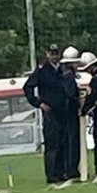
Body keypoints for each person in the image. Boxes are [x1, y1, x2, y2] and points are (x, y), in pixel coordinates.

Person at [24, 43, 68, 184]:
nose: (54, 56)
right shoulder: (42, 70)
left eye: (56, 53)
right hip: (50, 112)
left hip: (63, 111)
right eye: (52, 53)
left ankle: (62, 172)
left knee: (63, 142)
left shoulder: (63, 69)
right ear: (47, 54)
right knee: (52, 144)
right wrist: (39, 104)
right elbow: (27, 88)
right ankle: (52, 174)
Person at [60, 46, 83, 180]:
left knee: (71, 140)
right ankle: (71, 169)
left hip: (67, 112)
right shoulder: (68, 77)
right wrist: (78, 103)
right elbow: (70, 95)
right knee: (72, 140)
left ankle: (71, 168)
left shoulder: (66, 75)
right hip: (70, 112)